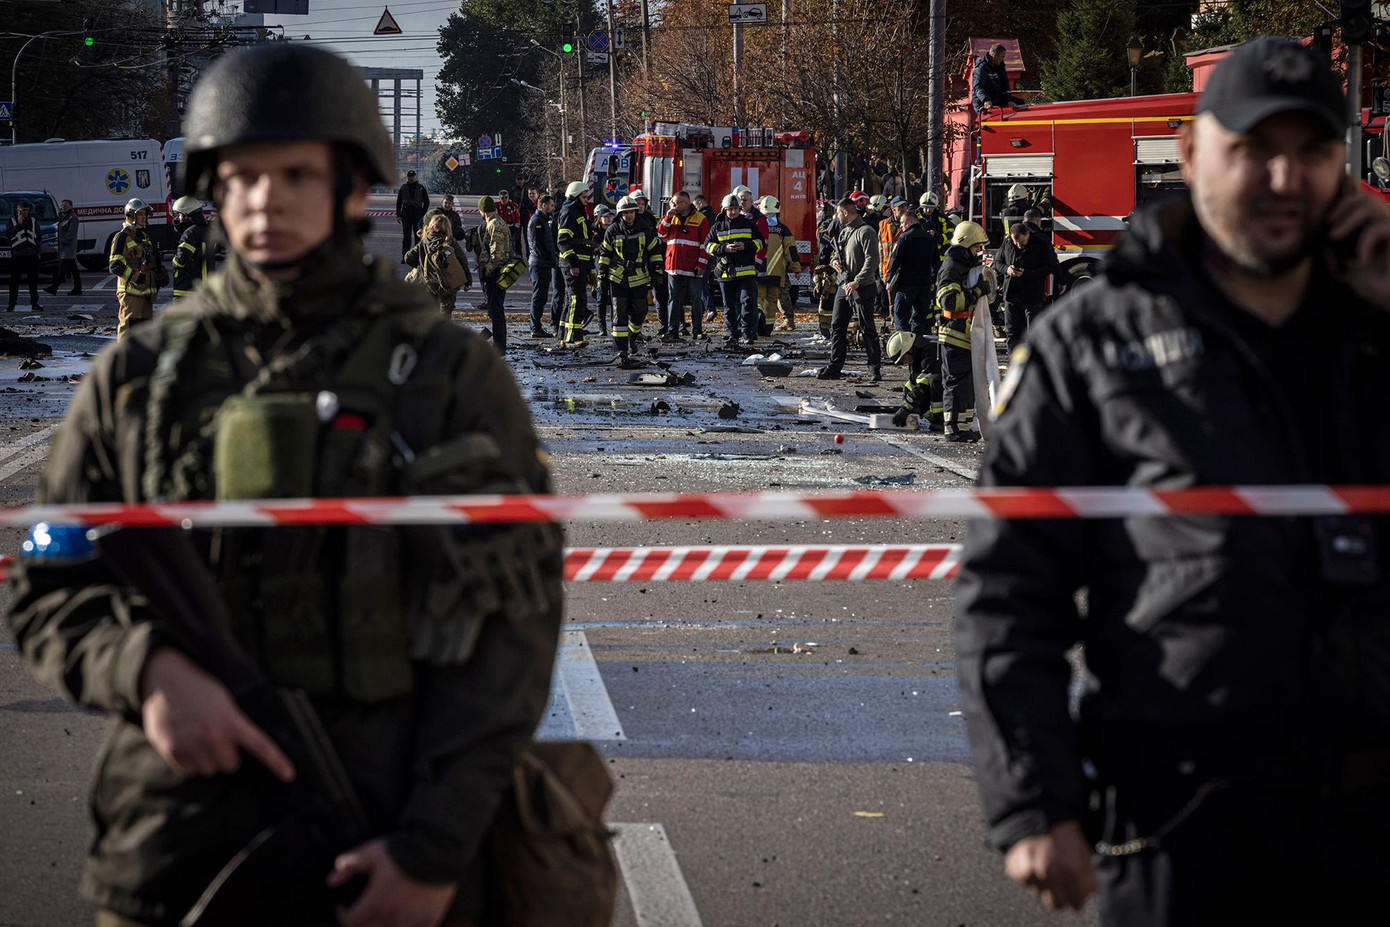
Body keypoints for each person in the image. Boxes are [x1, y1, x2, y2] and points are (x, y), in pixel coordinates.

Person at [5, 42, 564, 926]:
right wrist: (144, 669)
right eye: (241, 177)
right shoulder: (138, 375)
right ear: (212, 190)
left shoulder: (449, 373)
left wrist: (435, 846)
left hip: (388, 812)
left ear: (351, 188)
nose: (265, 200)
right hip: (181, 835)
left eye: (296, 174)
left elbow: (516, 623)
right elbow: (52, 570)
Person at [955, 36, 1390, 925]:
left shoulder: (1375, 327)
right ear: (1191, 155)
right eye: (1253, 150)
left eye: (1310, 152)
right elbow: (1008, 586)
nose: (1282, 177)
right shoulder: (1095, 344)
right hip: (1183, 824)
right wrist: (1036, 802)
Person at [934, 220, 994, 440]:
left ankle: (963, 427)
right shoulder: (951, 267)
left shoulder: (963, 265)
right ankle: (954, 430)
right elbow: (949, 301)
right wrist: (977, 291)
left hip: (964, 334)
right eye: (977, 247)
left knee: (967, 385)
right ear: (966, 243)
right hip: (954, 334)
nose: (979, 251)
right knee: (957, 384)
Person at [818, 196, 881, 381]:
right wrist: (834, 261)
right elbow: (836, 254)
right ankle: (835, 365)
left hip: (862, 287)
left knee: (867, 327)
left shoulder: (866, 231)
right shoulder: (845, 232)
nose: (837, 217)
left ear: (845, 212)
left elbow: (872, 260)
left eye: (838, 213)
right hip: (843, 285)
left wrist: (858, 281)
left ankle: (874, 368)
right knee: (837, 325)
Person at [599, 196, 663, 364]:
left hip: (639, 277)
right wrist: (601, 274)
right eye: (625, 213)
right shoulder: (612, 230)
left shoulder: (645, 229)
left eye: (631, 212)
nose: (629, 216)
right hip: (618, 277)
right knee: (618, 315)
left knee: (640, 311)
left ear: (636, 212)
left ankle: (631, 338)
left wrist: (657, 270)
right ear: (620, 214)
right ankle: (620, 350)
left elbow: (654, 251)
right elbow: (605, 254)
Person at [705, 192, 763, 347]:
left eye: (736, 208)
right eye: (730, 209)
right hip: (726, 273)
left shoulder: (748, 223)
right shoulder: (717, 226)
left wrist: (746, 246)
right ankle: (732, 334)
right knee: (729, 305)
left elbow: (760, 242)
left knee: (747, 303)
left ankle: (747, 333)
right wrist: (724, 248)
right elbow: (708, 246)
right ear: (724, 209)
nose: (734, 211)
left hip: (746, 271)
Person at [994, 219, 1060, 354]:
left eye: (1022, 242)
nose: (1018, 245)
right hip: (1011, 294)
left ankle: (1031, 365)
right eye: (1015, 242)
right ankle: (1013, 364)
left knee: (1031, 332)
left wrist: (1027, 273)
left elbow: (1049, 267)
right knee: (1012, 332)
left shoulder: (1040, 244)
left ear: (1028, 234)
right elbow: (998, 262)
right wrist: (1007, 270)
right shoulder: (1008, 242)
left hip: (1032, 295)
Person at [657, 190, 710, 343]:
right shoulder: (670, 217)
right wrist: (668, 216)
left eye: (676, 203)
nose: (673, 206)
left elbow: (704, 245)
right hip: (673, 265)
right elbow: (661, 234)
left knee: (696, 298)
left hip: (693, 265)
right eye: (673, 203)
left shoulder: (701, 219)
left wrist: (701, 264)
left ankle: (697, 329)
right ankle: (673, 330)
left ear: (685, 203)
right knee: (673, 298)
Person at [108, 198, 162, 339]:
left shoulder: (144, 236)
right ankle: (124, 359)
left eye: (145, 214)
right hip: (131, 293)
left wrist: (158, 273)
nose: (143, 217)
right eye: (140, 214)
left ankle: (141, 360)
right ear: (131, 215)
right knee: (128, 331)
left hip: (146, 293)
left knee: (145, 332)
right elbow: (115, 265)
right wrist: (136, 277)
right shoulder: (122, 237)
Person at [887, 198, 938, 343]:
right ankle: (917, 346)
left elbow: (895, 260)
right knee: (918, 318)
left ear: (909, 222)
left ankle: (904, 345)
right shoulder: (930, 238)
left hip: (906, 284)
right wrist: (933, 281)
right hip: (924, 284)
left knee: (900, 313)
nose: (901, 227)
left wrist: (888, 279)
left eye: (903, 223)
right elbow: (936, 262)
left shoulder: (904, 238)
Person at [405, 208, 473, 316]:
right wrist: (468, 281)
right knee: (445, 310)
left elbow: (408, 257)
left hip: (429, 284)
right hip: (448, 284)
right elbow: (462, 260)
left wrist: (421, 266)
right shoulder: (450, 242)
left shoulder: (424, 242)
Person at [556, 180, 595, 347]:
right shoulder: (569, 212)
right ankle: (574, 337)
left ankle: (563, 336)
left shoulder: (578, 212)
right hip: (573, 264)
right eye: (583, 196)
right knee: (576, 300)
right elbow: (563, 241)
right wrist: (573, 264)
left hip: (580, 264)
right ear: (575, 196)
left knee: (570, 300)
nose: (586, 198)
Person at [475, 194, 513, 351]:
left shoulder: (494, 224)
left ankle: (499, 347)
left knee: (495, 311)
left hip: (495, 273)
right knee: (495, 310)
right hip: (499, 272)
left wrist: (487, 271)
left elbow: (496, 254)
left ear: (484, 211)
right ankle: (499, 345)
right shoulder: (499, 223)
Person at [759, 195, 801, 332]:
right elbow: (791, 250)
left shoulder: (756, 226)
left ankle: (759, 323)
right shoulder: (783, 229)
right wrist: (796, 268)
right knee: (778, 297)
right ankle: (784, 322)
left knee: (760, 298)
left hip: (759, 270)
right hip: (777, 272)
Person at [884, 331, 940, 431]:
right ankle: (933, 418)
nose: (903, 362)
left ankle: (941, 420)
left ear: (909, 349)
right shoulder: (917, 357)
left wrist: (905, 408)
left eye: (903, 358)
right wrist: (905, 402)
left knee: (934, 381)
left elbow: (923, 385)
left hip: (955, 392)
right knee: (911, 388)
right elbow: (912, 384)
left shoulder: (931, 352)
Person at [526, 193, 558, 337]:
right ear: (543, 205)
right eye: (551, 205)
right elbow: (536, 244)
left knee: (542, 296)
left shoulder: (543, 220)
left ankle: (537, 326)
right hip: (539, 264)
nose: (553, 208)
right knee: (538, 296)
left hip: (543, 263)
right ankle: (535, 328)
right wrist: (548, 257)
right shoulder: (537, 221)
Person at [169, 195, 214, 299]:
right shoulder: (206, 231)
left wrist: (174, 261)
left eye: (179, 215)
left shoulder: (190, 233)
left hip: (187, 291)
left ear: (186, 215)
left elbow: (181, 260)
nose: (178, 218)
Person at [5, 199, 43, 312]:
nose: (24, 212)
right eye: (22, 210)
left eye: (26, 210)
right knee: (14, 282)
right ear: (17, 210)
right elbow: (9, 236)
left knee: (33, 281)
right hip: (18, 256)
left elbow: (39, 237)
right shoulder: (12, 221)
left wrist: (38, 252)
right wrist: (19, 224)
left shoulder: (33, 221)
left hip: (31, 255)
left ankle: (35, 303)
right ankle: (12, 303)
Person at [972, 42, 1026, 113]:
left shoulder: (1000, 66)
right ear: (994, 55)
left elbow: (1005, 85)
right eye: (1002, 57)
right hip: (983, 101)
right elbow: (978, 87)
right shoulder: (981, 68)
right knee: (988, 113)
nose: (1002, 59)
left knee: (1020, 103)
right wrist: (985, 100)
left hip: (996, 97)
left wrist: (1008, 100)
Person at [45, 198, 82, 296]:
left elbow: (71, 232)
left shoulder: (72, 217)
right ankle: (78, 288)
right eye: (62, 205)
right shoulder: (64, 216)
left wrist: (64, 241)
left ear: (71, 206)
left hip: (68, 247)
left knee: (62, 269)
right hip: (64, 248)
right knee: (73, 270)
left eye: (66, 205)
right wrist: (60, 213)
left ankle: (54, 287)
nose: (64, 207)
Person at [877, 196, 903, 320]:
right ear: (893, 209)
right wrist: (881, 271)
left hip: (904, 271)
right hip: (888, 269)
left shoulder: (910, 223)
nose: (903, 209)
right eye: (900, 207)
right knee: (891, 301)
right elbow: (880, 250)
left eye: (905, 206)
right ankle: (894, 323)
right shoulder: (883, 225)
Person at [395, 169, 429, 259]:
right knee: (406, 237)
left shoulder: (421, 188)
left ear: (415, 176)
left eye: (412, 176)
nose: (411, 178)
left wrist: (423, 213)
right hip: (406, 214)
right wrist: (398, 215)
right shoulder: (403, 188)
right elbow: (399, 202)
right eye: (409, 176)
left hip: (417, 213)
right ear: (407, 177)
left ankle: (417, 256)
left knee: (418, 236)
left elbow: (426, 202)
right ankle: (405, 256)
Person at [591, 203, 615, 336]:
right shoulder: (594, 231)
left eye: (610, 216)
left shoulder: (615, 230)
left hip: (613, 268)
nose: (608, 219)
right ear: (600, 218)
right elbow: (592, 249)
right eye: (605, 217)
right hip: (599, 267)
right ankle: (602, 327)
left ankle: (614, 325)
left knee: (613, 299)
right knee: (600, 299)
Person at [497, 189, 523, 256]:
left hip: (511, 228)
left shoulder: (513, 206)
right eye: (502, 198)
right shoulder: (496, 206)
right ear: (499, 198)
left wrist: (516, 226)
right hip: (500, 228)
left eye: (506, 198)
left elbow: (517, 217)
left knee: (512, 246)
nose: (504, 199)